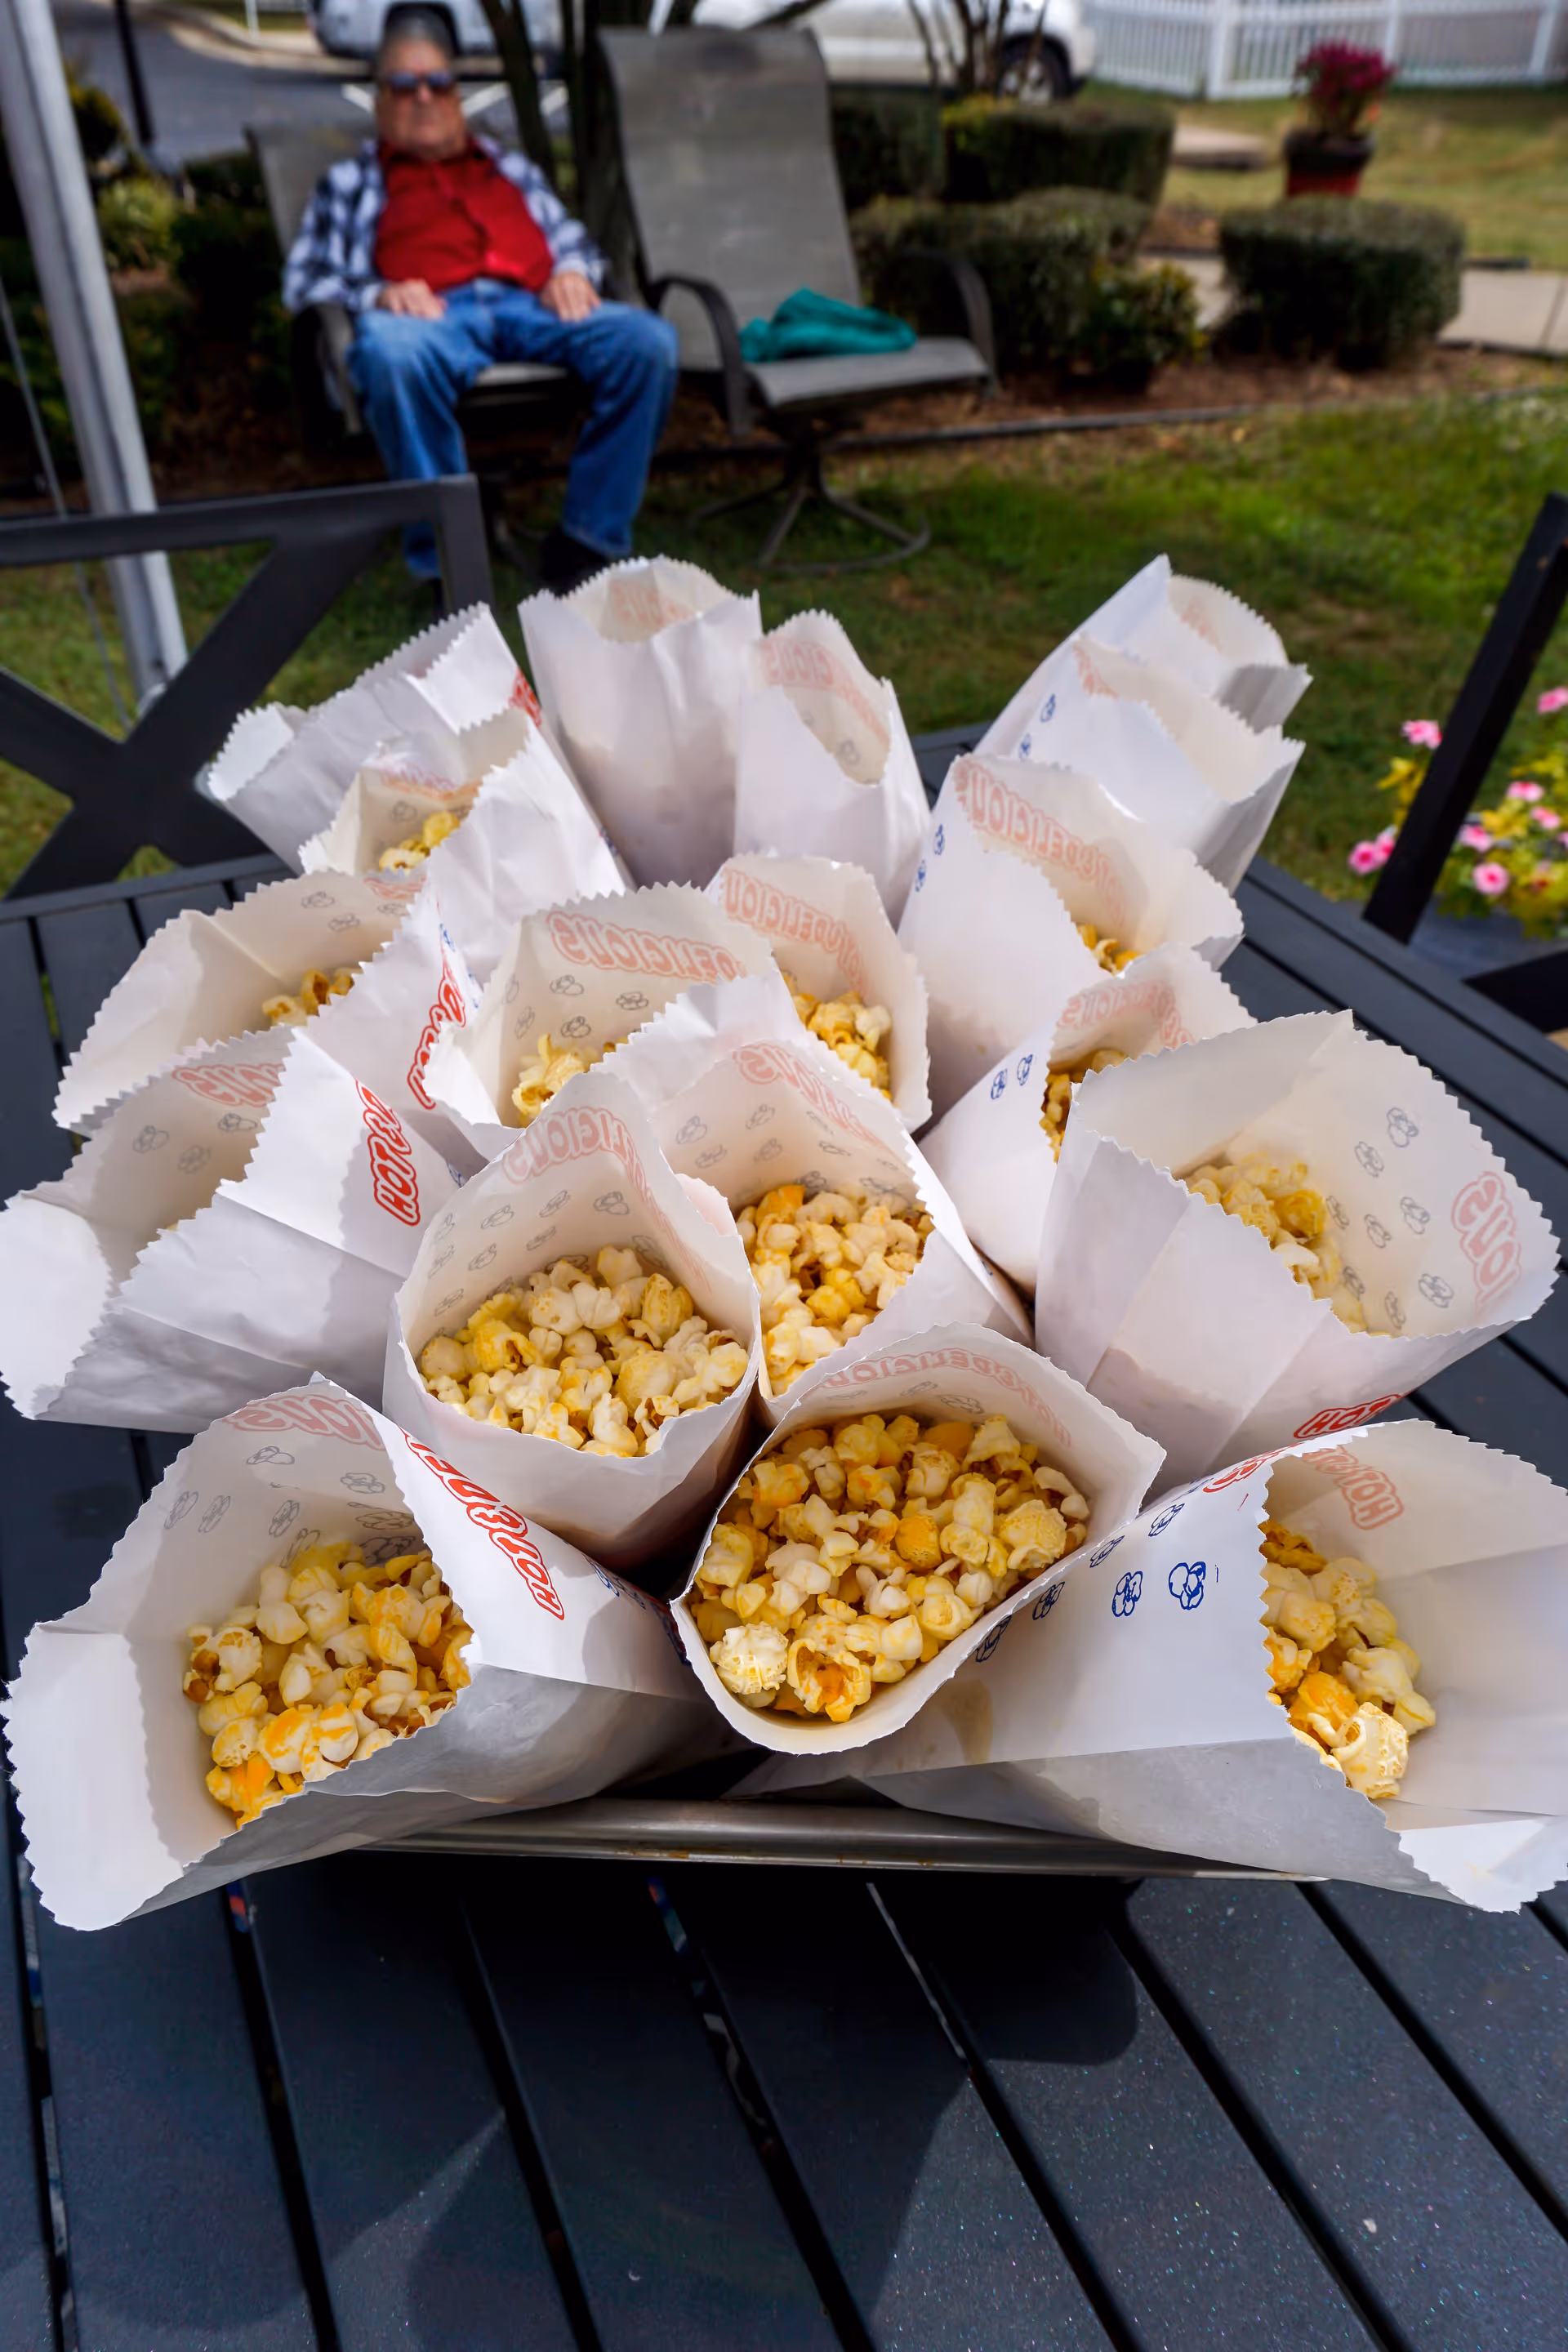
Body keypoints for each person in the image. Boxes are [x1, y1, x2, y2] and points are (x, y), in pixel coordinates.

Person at [282, 9, 678, 592]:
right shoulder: (351, 182)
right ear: (380, 101)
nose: (424, 97)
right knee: (389, 354)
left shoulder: (508, 167)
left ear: (457, 98)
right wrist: (379, 292)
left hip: (533, 307)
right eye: (403, 85)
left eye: (438, 83)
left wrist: (570, 271)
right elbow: (308, 280)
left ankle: (588, 543)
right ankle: (448, 564)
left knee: (647, 342)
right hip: (433, 317)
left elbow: (575, 244)